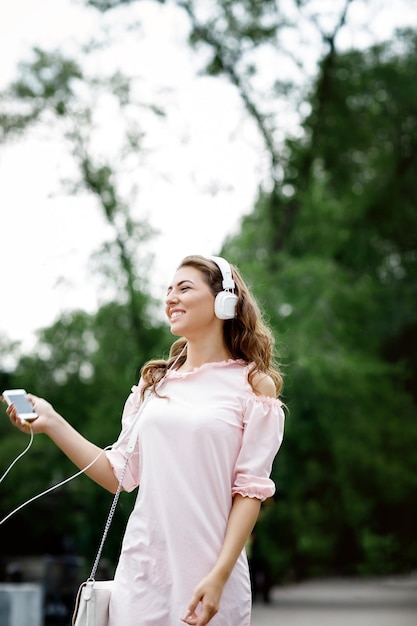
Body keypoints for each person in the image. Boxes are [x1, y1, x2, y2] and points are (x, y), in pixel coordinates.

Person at [5, 254, 285, 626]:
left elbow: (249, 493)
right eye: (168, 290)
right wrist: (54, 422)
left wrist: (219, 576)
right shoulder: (154, 385)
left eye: (184, 288)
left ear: (225, 301)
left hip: (212, 578)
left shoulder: (253, 388)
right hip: (141, 575)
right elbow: (118, 475)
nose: (170, 298)